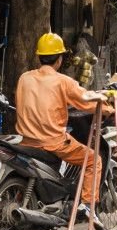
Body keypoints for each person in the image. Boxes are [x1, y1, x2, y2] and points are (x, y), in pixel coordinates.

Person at [14, 32, 110, 213]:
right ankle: (88, 205)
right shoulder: (63, 81)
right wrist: (109, 109)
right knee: (93, 160)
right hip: (53, 143)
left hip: (26, 142)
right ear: (59, 59)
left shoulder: (24, 78)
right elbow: (87, 100)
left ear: (39, 57)